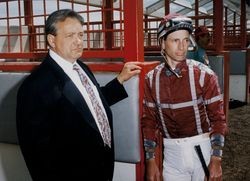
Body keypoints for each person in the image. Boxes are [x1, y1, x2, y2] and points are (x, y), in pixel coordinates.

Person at [16, 9, 141, 181]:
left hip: (101, 168)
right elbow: (36, 154)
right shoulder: (35, 85)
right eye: (70, 36)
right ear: (51, 40)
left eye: (81, 35)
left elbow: (90, 105)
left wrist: (119, 80)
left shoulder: (81, 67)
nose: (78, 41)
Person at [141, 13, 228, 181]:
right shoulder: (151, 79)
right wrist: (150, 160)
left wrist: (216, 158)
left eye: (186, 40)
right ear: (162, 43)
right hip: (171, 153)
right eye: (175, 40)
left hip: (202, 148)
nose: (182, 47)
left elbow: (218, 119)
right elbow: (149, 121)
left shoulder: (205, 75)